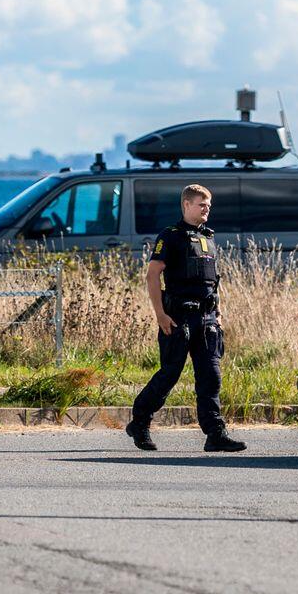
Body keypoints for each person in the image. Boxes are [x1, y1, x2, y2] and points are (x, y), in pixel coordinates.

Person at [126, 184, 245, 453]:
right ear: (186, 205)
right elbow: (152, 275)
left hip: (207, 319)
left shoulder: (208, 237)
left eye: (209, 205)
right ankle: (139, 422)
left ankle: (215, 434)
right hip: (178, 318)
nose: (206, 209)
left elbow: (212, 282)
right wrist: (160, 315)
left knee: (211, 376)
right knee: (169, 374)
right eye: (201, 205)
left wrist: (218, 314)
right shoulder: (171, 236)